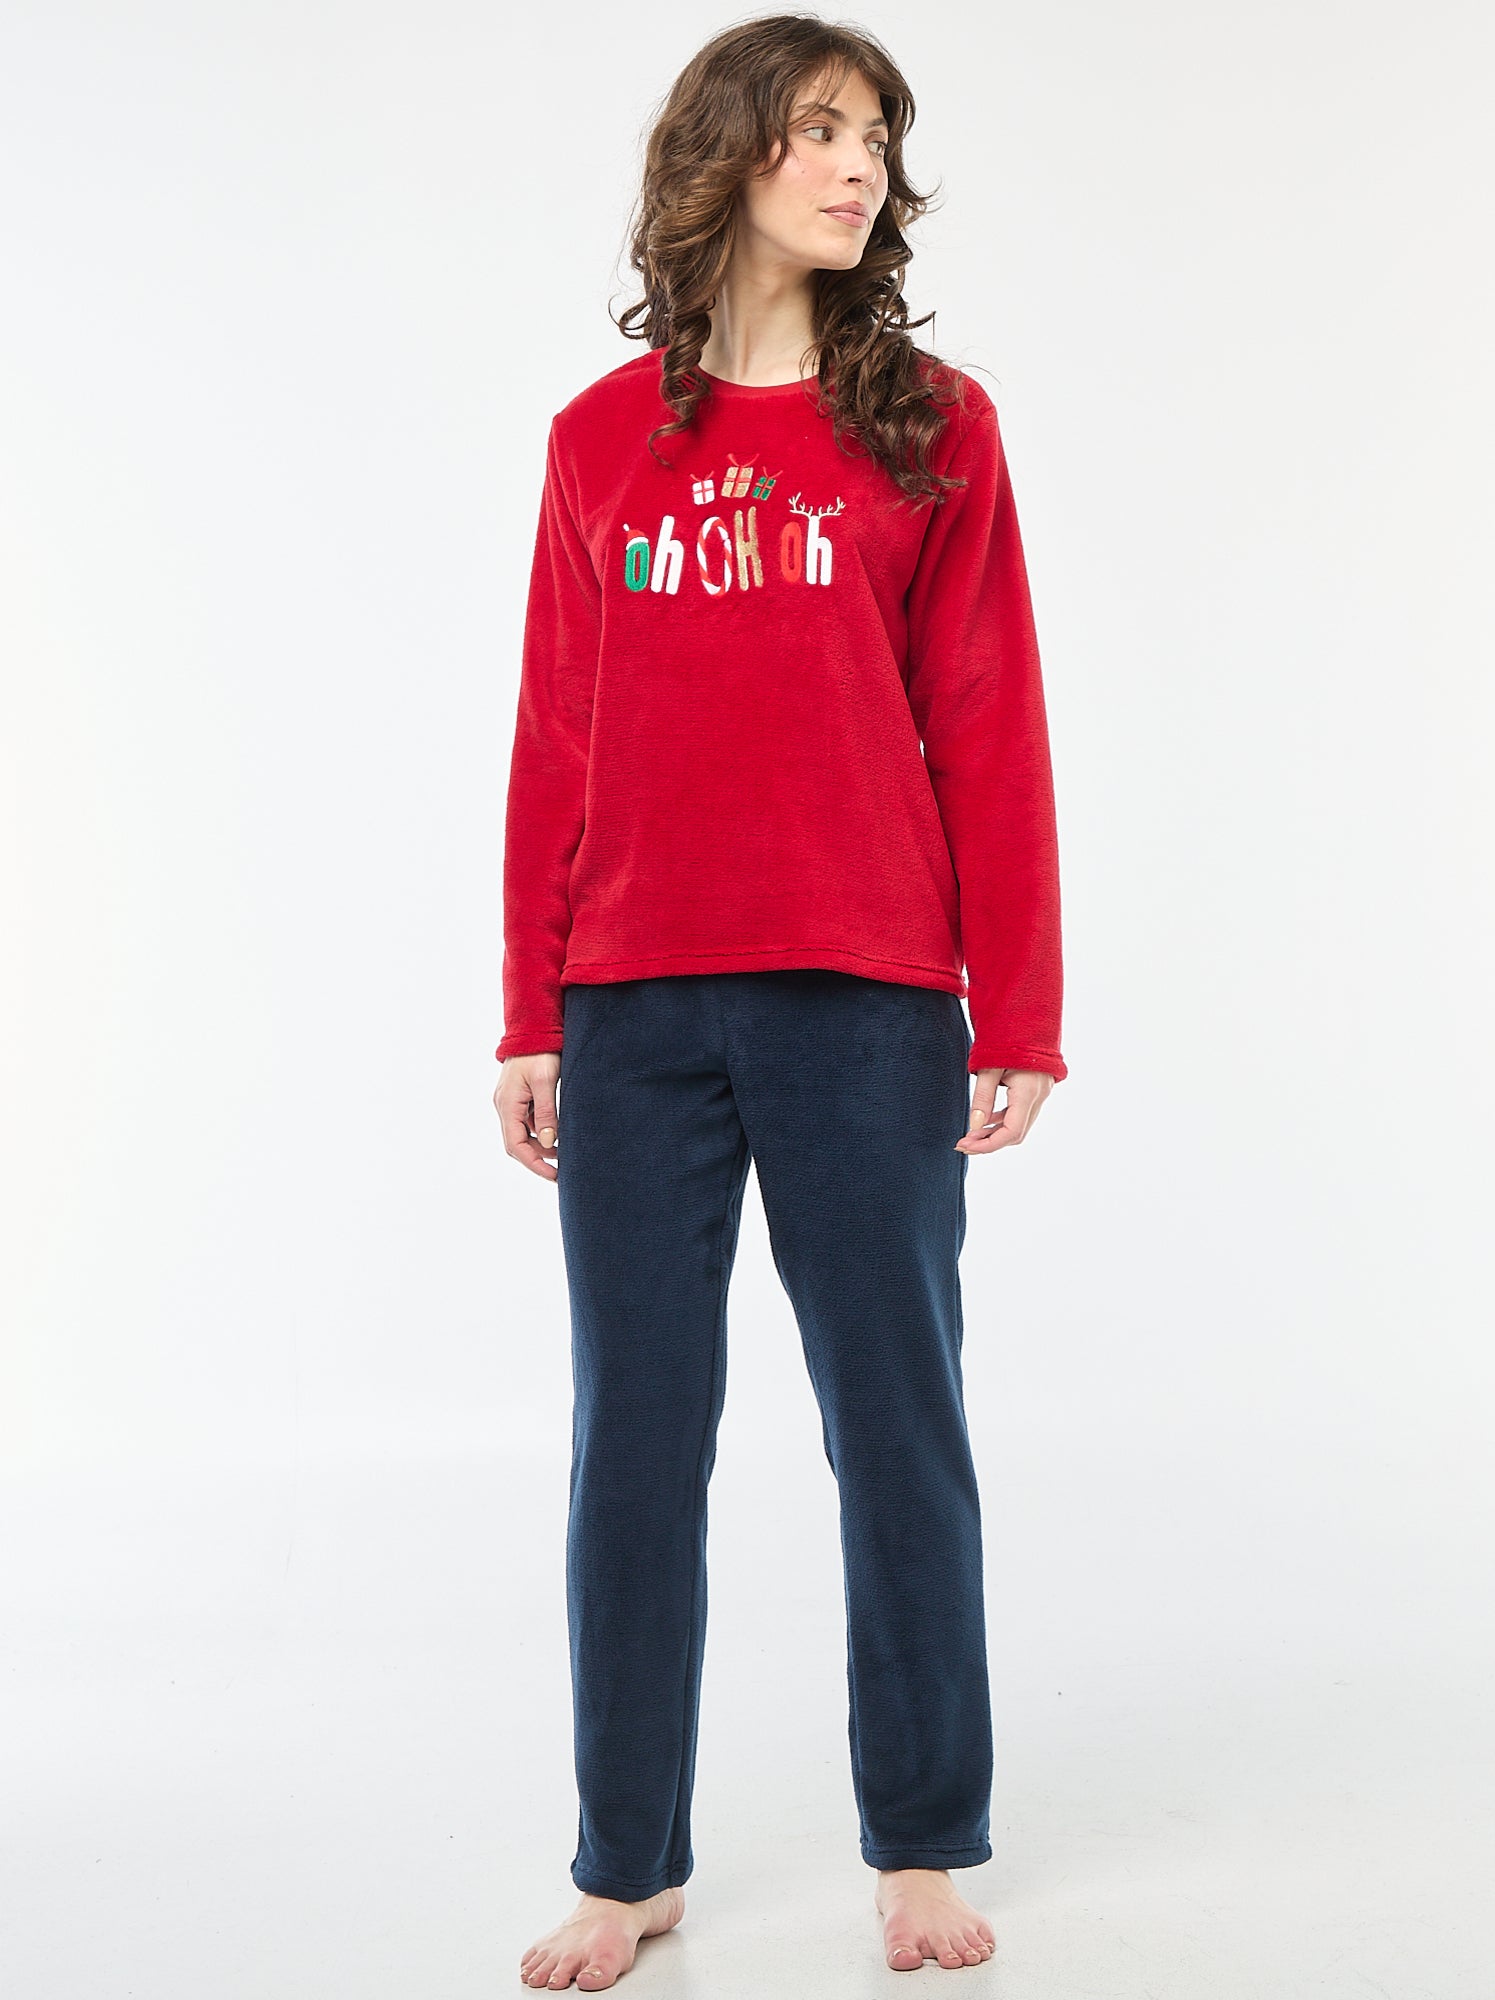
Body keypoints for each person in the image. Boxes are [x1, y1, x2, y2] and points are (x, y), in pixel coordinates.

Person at [493, 14, 1067, 1989]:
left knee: (896, 1426)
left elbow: (989, 720)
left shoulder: (935, 428)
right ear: (724, 156)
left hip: (867, 998)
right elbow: (555, 740)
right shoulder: (597, 443)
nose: (857, 166)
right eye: (819, 130)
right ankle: (625, 1860)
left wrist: (1018, 1009)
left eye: (877, 137)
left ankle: (921, 1839)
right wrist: (530, 1009)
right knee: (634, 1441)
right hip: (635, 1009)